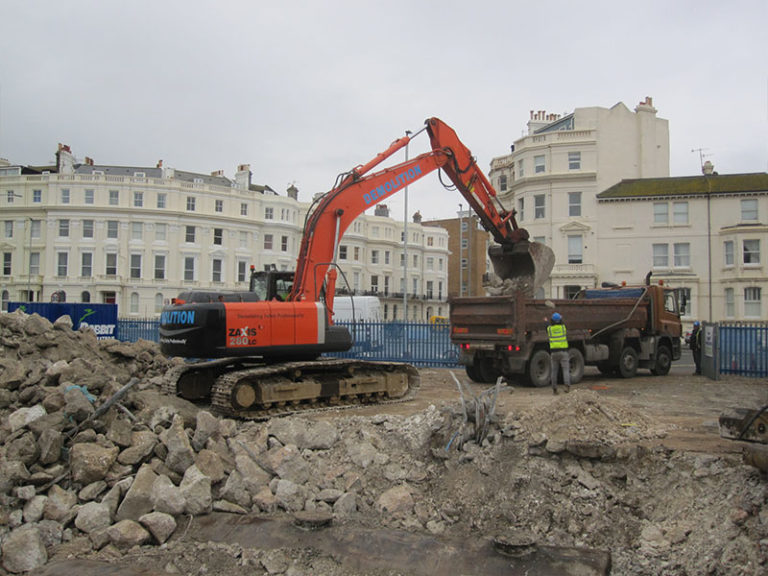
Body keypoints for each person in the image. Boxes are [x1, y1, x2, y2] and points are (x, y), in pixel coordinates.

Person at [547, 312, 570, 394]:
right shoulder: (563, 328)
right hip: (563, 352)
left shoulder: (549, 329)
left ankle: (554, 389)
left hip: (554, 352)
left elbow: (548, 325)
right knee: (565, 370)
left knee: (554, 371)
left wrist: (547, 321)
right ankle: (567, 386)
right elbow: (563, 323)